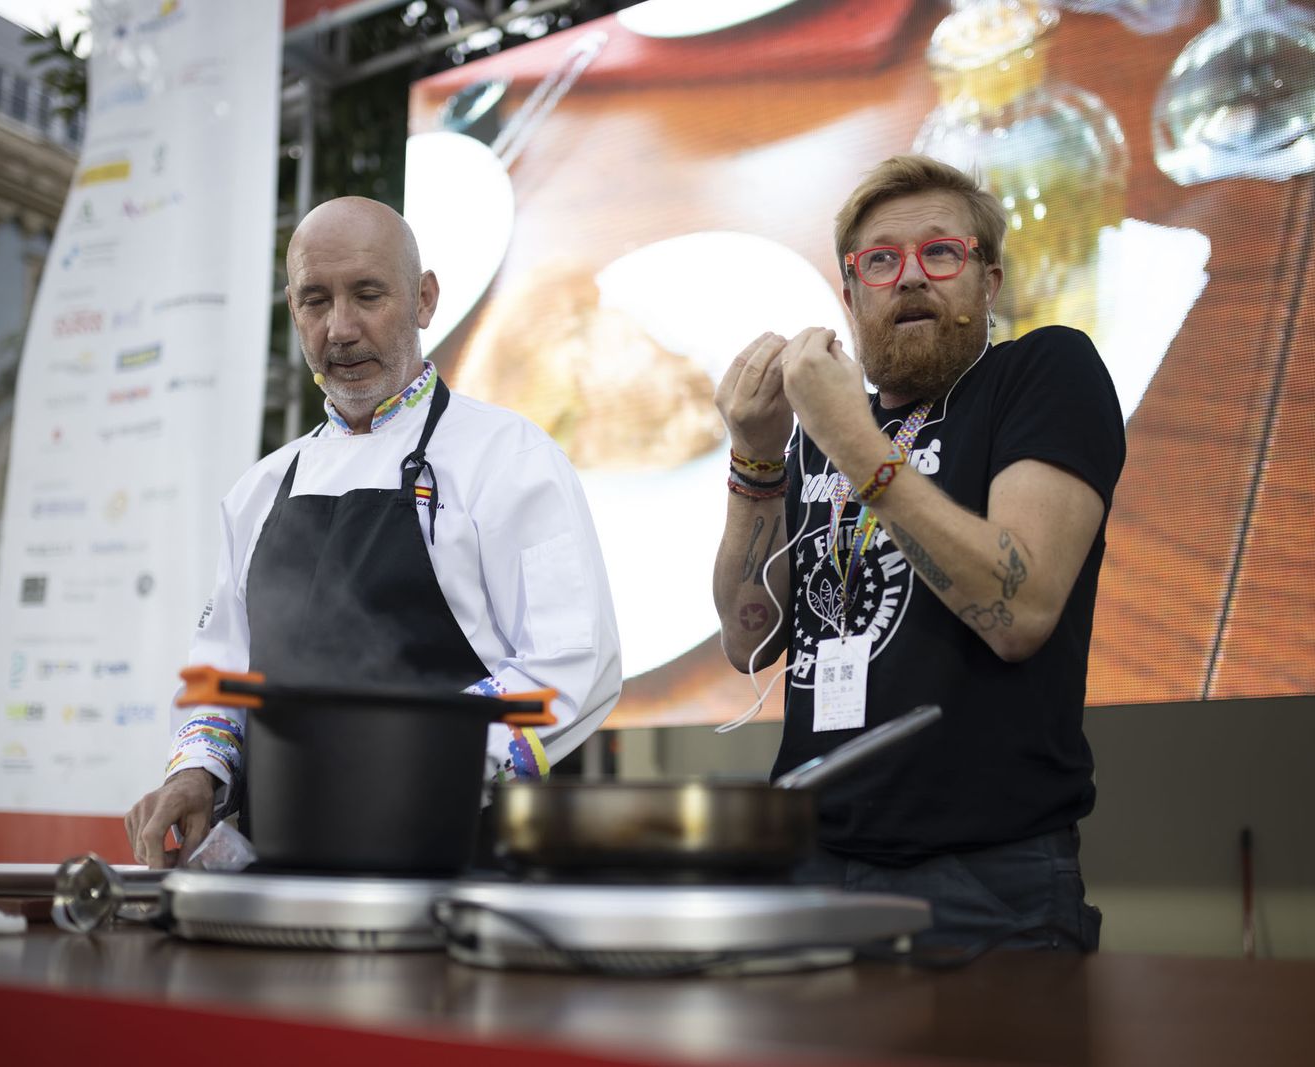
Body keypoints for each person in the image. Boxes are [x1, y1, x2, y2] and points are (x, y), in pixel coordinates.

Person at [125, 197, 622, 868]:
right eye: (315, 301)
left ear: (423, 299)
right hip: (282, 872)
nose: (341, 329)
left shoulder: (510, 458)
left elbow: (571, 662)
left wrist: (411, 763)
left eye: (367, 294)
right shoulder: (259, 491)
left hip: (457, 867)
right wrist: (197, 769)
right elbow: (223, 676)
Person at [712, 155, 1125, 953]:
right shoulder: (824, 434)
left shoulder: (1044, 373)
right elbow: (748, 639)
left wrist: (851, 442)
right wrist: (756, 460)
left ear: (989, 282)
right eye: (880, 260)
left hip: (986, 876)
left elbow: (1021, 610)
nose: (909, 278)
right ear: (851, 294)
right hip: (810, 861)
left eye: (941, 253)